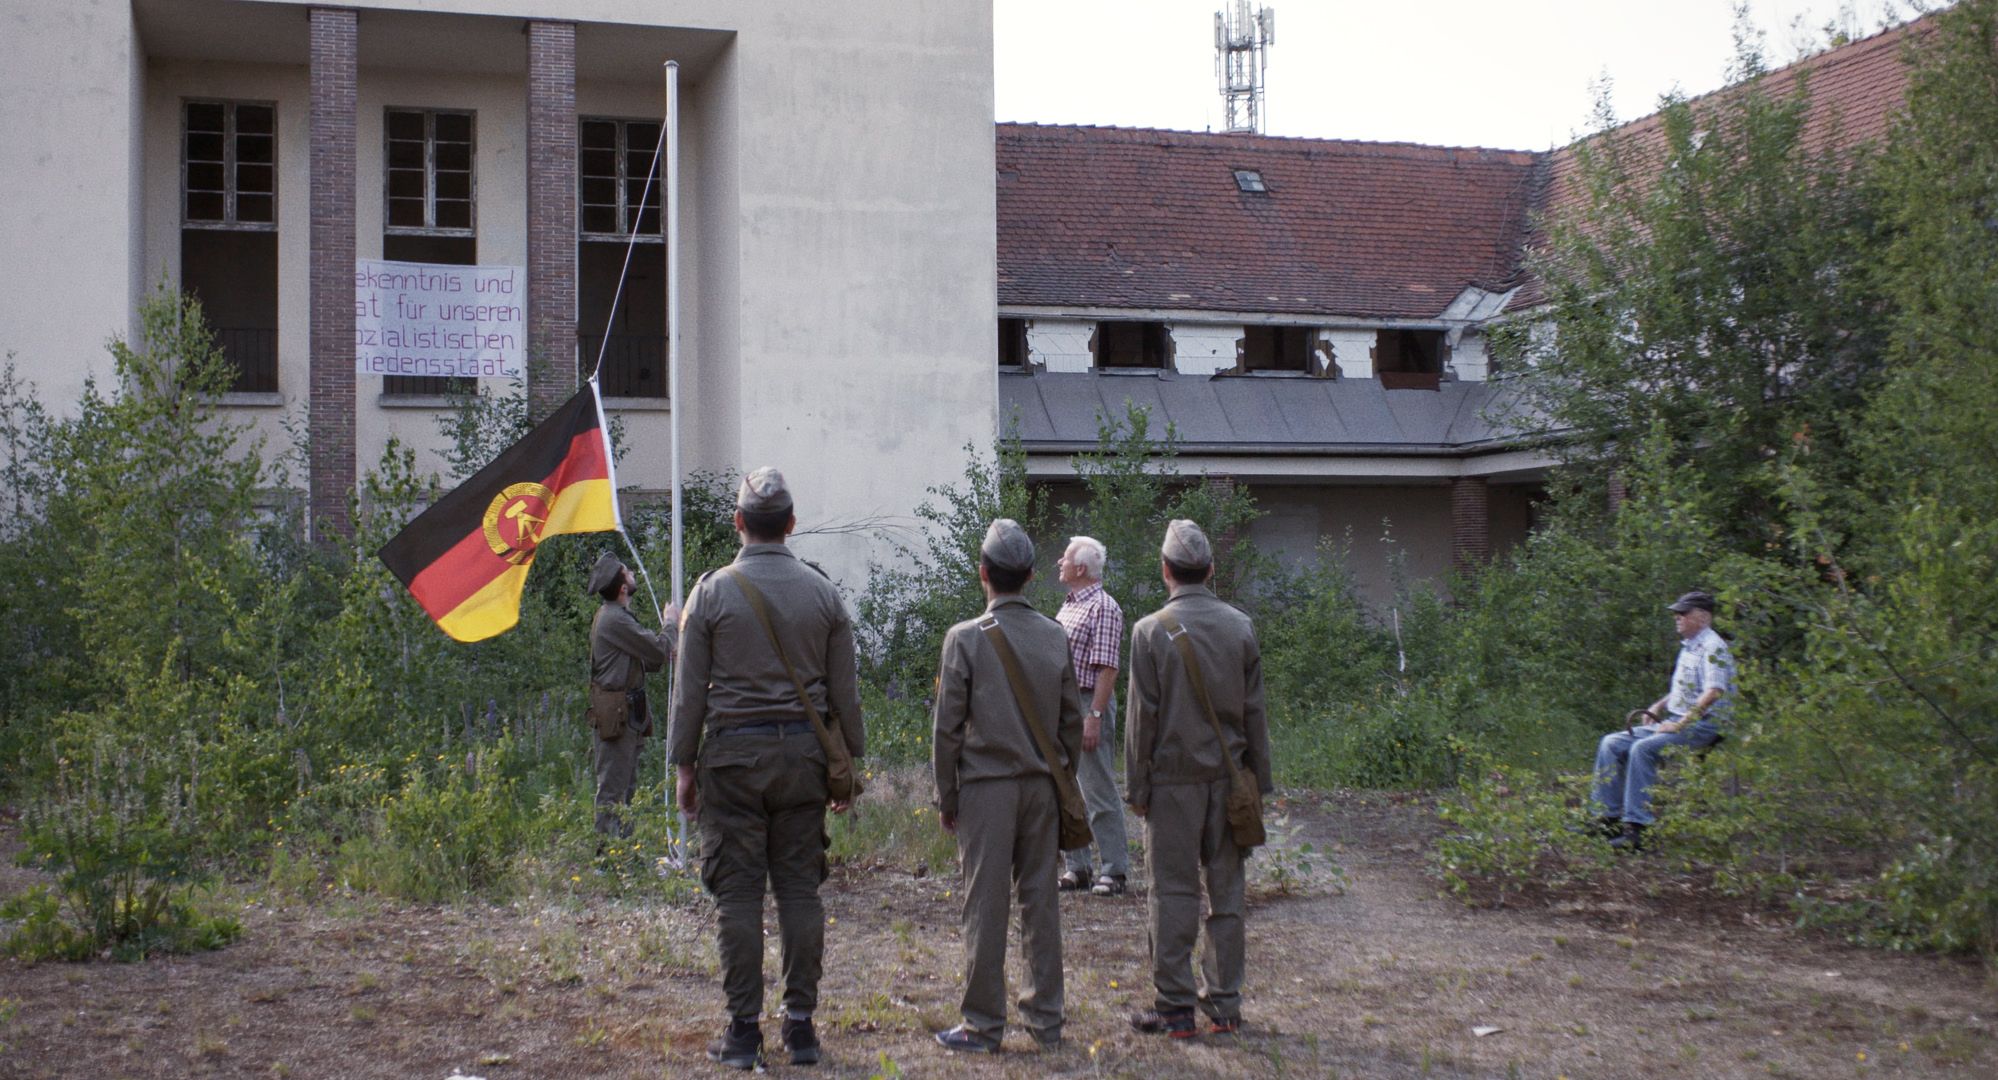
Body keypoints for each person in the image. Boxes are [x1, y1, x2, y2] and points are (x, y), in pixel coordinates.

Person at [667, 467, 864, 1071]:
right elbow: (844, 693)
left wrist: (682, 765)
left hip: (731, 758)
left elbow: (688, 692)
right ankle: (800, 1028)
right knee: (800, 889)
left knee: (738, 895)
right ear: (792, 526)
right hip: (804, 759)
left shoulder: (711, 593)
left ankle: (743, 1031)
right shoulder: (823, 594)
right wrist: (849, 763)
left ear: (738, 523)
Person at [931, 519, 1082, 1054]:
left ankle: (981, 1024)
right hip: (1042, 789)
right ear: (1031, 577)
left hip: (985, 790)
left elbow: (947, 729)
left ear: (984, 574)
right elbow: (1071, 722)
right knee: (1041, 904)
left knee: (985, 905)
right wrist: (1060, 779)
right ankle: (1046, 1021)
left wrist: (947, 797)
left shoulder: (964, 639)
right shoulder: (1054, 635)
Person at [1125, 520, 1271, 1039]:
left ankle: (1175, 1009)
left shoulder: (1149, 631)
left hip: (1172, 786)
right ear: (1210, 570)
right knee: (1227, 896)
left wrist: (1136, 790)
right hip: (1231, 782)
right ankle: (1226, 1007)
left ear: (1165, 571)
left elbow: (1141, 720)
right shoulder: (1241, 627)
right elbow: (1256, 715)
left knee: (1172, 894)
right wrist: (1260, 786)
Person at [1591, 590, 1734, 850]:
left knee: (1642, 749)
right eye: (1677, 613)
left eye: (1683, 613)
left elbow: (1713, 691)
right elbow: (1688, 689)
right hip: (1681, 719)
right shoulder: (1691, 646)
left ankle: (1638, 831)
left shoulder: (1714, 647)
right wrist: (1659, 705)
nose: (1677, 617)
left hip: (1705, 725)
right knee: (1610, 743)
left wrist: (1680, 724)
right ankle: (1606, 820)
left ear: (1702, 617)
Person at [1055, 535, 1132, 897]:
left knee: (1097, 787)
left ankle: (1114, 871)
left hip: (1088, 703)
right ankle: (1078, 867)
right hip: (1065, 705)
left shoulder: (1103, 607)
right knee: (1067, 787)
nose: (1060, 562)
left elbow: (1107, 669)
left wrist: (1095, 715)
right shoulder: (1069, 605)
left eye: (1066, 558)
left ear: (1081, 568)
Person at [585, 552, 679, 839]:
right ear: (622, 586)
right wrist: (672, 623)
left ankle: (623, 851)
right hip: (618, 714)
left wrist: (662, 651)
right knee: (613, 788)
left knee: (625, 787)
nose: (633, 574)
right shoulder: (614, 619)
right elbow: (658, 650)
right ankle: (606, 858)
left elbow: (648, 660)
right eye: (628, 572)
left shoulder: (618, 617)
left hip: (629, 714)